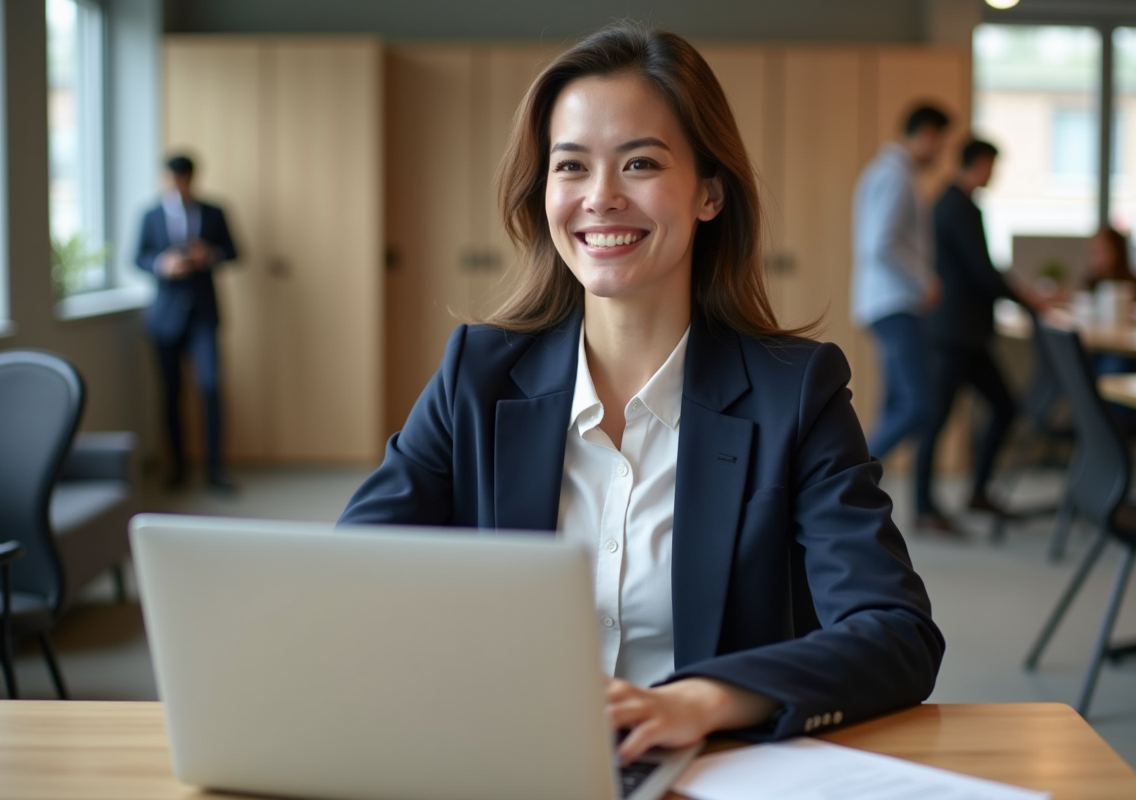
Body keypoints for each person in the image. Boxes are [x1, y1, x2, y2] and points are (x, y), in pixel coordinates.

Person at [339, 23, 942, 764]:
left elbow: (895, 630)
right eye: (571, 167)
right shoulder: (477, 375)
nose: (601, 198)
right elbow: (354, 579)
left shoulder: (796, 394)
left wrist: (702, 698)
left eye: (641, 163)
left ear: (710, 193)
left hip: (707, 769)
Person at [914, 139, 1048, 534]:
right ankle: (924, 508)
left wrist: (1024, 296)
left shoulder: (957, 203)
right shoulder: (958, 206)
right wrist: (1028, 299)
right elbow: (982, 271)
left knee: (1005, 406)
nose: (995, 175)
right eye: (993, 166)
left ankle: (977, 492)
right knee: (936, 418)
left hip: (965, 332)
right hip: (954, 332)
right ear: (980, 163)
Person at [851, 104, 951, 461]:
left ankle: (859, 492)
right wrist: (925, 279)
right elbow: (881, 243)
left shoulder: (889, 172)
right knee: (919, 405)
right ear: (926, 134)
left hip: (886, 303)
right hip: (894, 304)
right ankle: (850, 476)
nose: (941, 152)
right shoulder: (894, 176)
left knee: (897, 404)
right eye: (940, 142)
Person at [136, 155, 238, 492]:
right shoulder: (150, 215)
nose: (177, 186)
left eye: (183, 180)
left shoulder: (214, 211)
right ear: (164, 179)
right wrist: (161, 265)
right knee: (172, 394)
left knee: (210, 388)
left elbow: (235, 251)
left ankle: (215, 469)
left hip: (203, 315)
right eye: (171, 180)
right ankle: (177, 468)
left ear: (192, 179)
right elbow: (137, 257)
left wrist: (207, 255)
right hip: (165, 318)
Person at [1085, 226, 1136, 304]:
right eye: (1091, 252)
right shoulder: (1090, 287)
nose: (1093, 258)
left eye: (1098, 251)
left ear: (1117, 252)